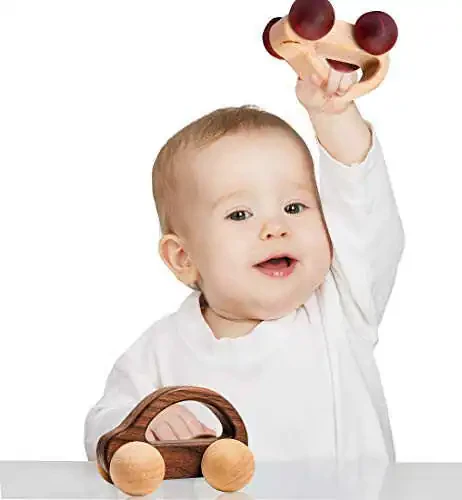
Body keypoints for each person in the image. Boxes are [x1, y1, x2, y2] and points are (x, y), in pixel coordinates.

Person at [84, 67, 405, 463]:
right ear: (183, 258)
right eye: (239, 214)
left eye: (294, 207)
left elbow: (364, 208)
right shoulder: (159, 352)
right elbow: (103, 427)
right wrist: (143, 425)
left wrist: (333, 116)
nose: (275, 227)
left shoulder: (341, 308)